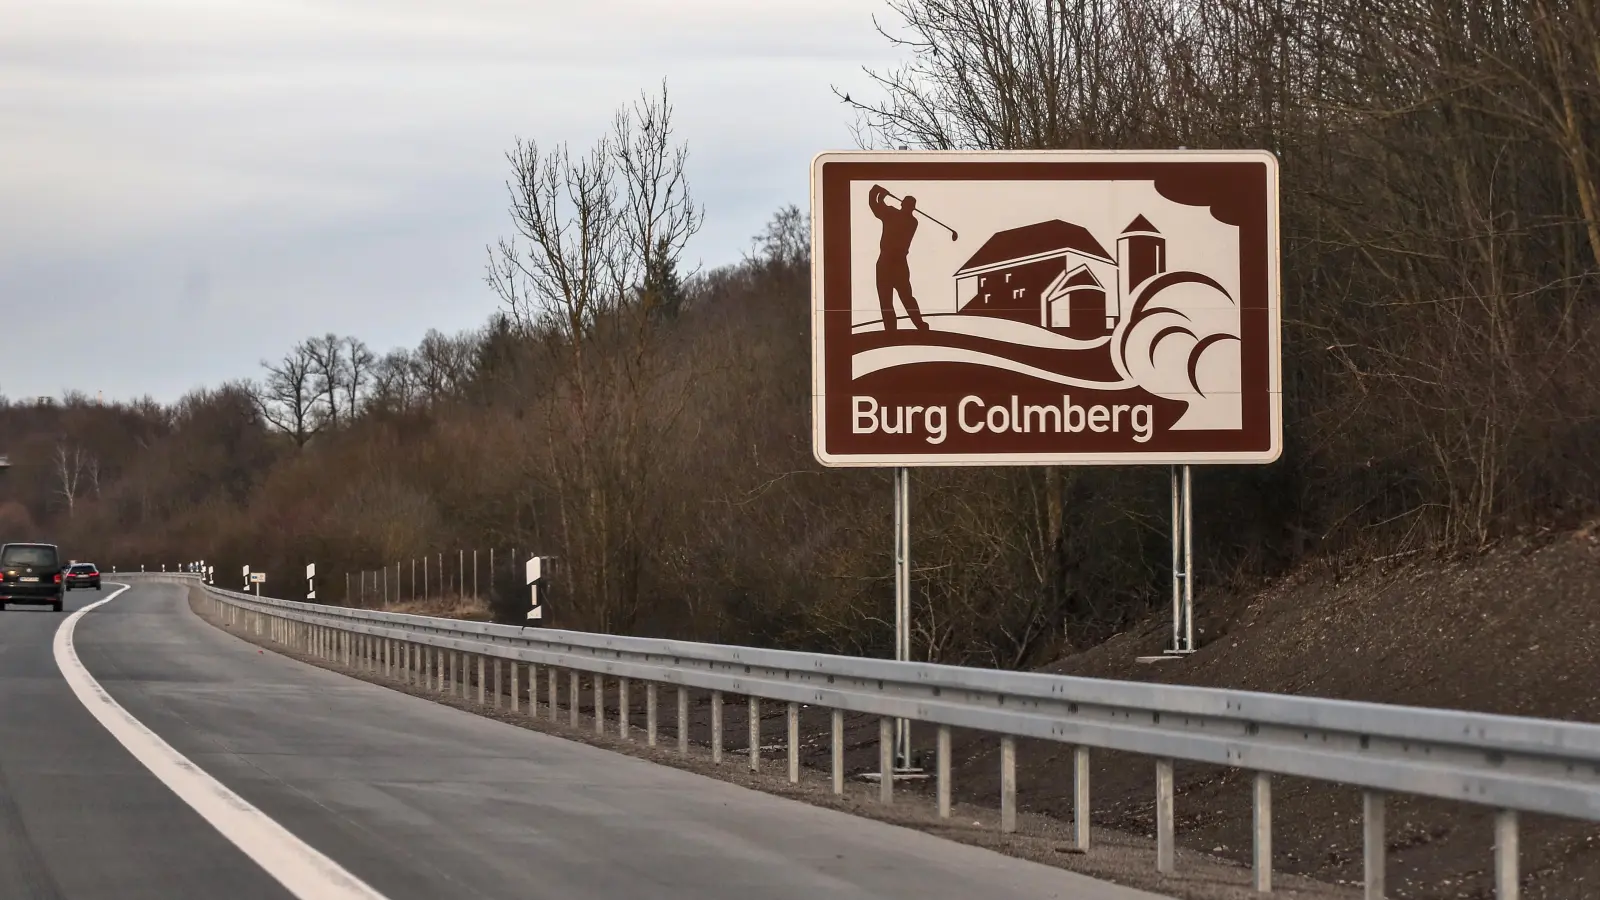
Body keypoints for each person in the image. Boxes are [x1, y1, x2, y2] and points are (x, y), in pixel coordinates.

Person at [869, 185, 929, 331]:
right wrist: (880, 197)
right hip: (897, 263)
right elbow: (879, 208)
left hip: (887, 263)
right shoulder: (912, 221)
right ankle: (918, 324)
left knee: (890, 300)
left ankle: (895, 330)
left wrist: (878, 194)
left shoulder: (896, 216)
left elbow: (874, 205)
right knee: (902, 298)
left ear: (902, 204)